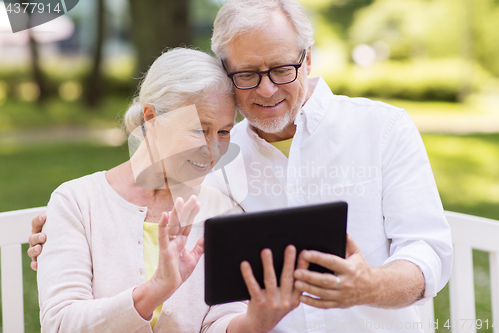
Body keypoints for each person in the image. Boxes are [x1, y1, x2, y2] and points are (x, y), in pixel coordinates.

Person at [31, 0, 454, 331]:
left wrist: (371, 286)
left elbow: (429, 250)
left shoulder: (380, 128)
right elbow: (142, 188)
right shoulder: (210, 163)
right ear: (227, 76)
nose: (267, 89)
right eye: (248, 74)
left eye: (282, 69)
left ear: (307, 59)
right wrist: (63, 232)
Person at [35, 47, 303, 333]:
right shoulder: (78, 202)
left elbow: (219, 321)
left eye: (224, 132)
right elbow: (60, 323)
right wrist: (154, 291)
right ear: (151, 118)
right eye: (200, 130)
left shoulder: (224, 213)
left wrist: (254, 323)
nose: (214, 149)